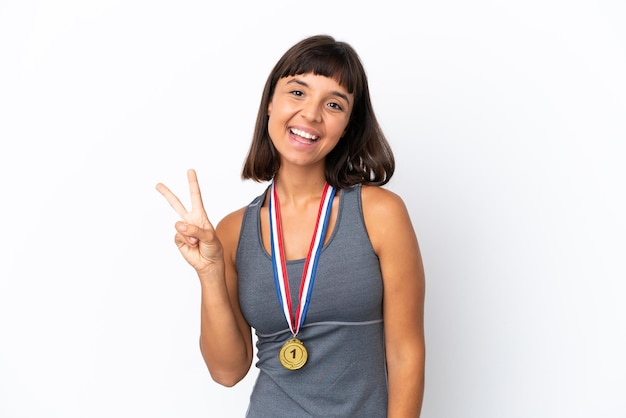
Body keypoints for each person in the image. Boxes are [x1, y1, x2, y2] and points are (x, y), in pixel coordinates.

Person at [156, 34, 425, 417]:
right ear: (270, 103)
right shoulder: (232, 232)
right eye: (297, 93)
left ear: (348, 125)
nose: (311, 114)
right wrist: (210, 272)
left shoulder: (380, 214)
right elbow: (227, 371)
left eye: (333, 104)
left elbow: (405, 354)